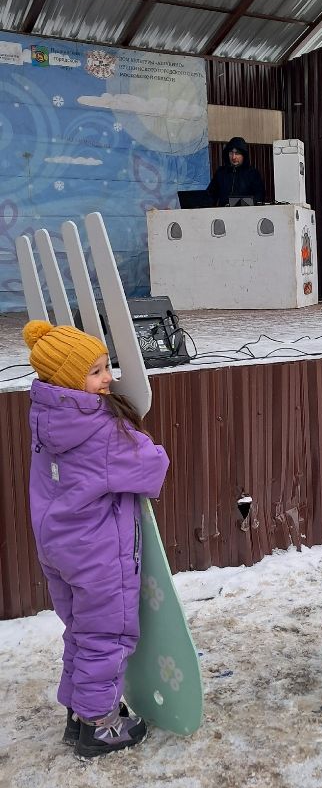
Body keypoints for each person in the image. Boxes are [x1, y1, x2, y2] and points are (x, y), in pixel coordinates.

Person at [23, 320, 170, 759]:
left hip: (58, 548)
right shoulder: (101, 431)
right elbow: (152, 469)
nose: (108, 378)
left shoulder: (46, 420)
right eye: (97, 371)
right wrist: (136, 432)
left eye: (107, 367)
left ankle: (78, 711)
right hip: (98, 553)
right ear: (70, 381)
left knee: (83, 632)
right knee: (108, 634)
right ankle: (99, 726)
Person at [206, 136, 265, 206]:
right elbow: (210, 196)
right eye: (231, 153)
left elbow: (259, 197)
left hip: (246, 214)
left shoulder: (253, 173)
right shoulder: (221, 172)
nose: (233, 157)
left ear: (244, 155)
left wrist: (236, 203)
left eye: (237, 153)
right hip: (223, 214)